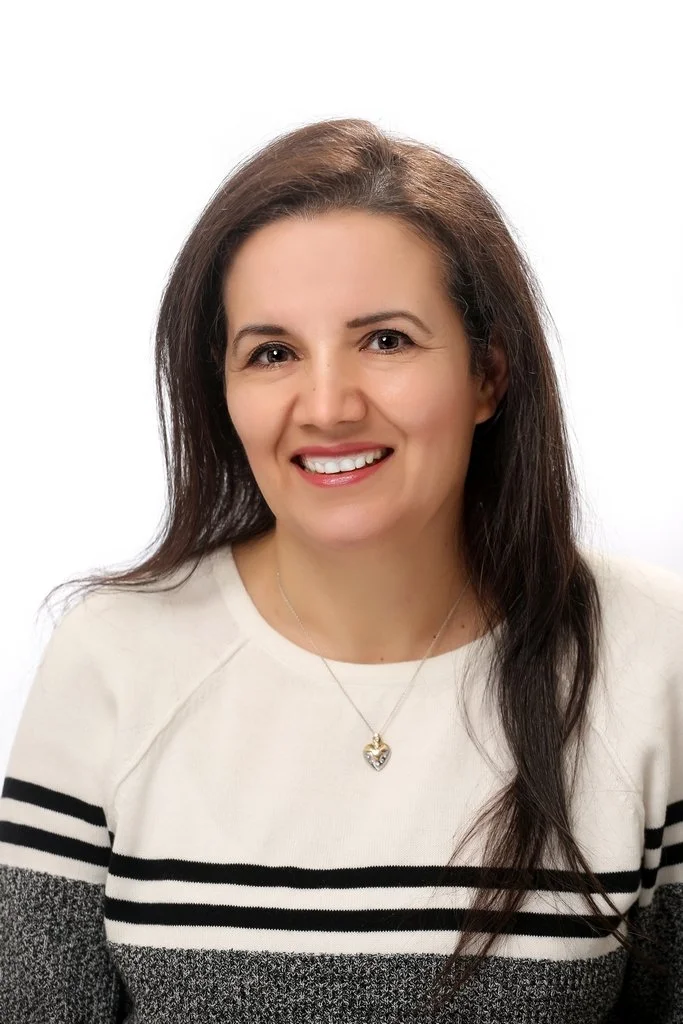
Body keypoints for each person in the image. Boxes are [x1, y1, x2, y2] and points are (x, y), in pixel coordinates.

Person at [1, 117, 681, 1024]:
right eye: (272, 353)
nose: (325, 406)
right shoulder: (115, 657)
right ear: (224, 391)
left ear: (488, 374)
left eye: (386, 341)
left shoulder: (649, 656)